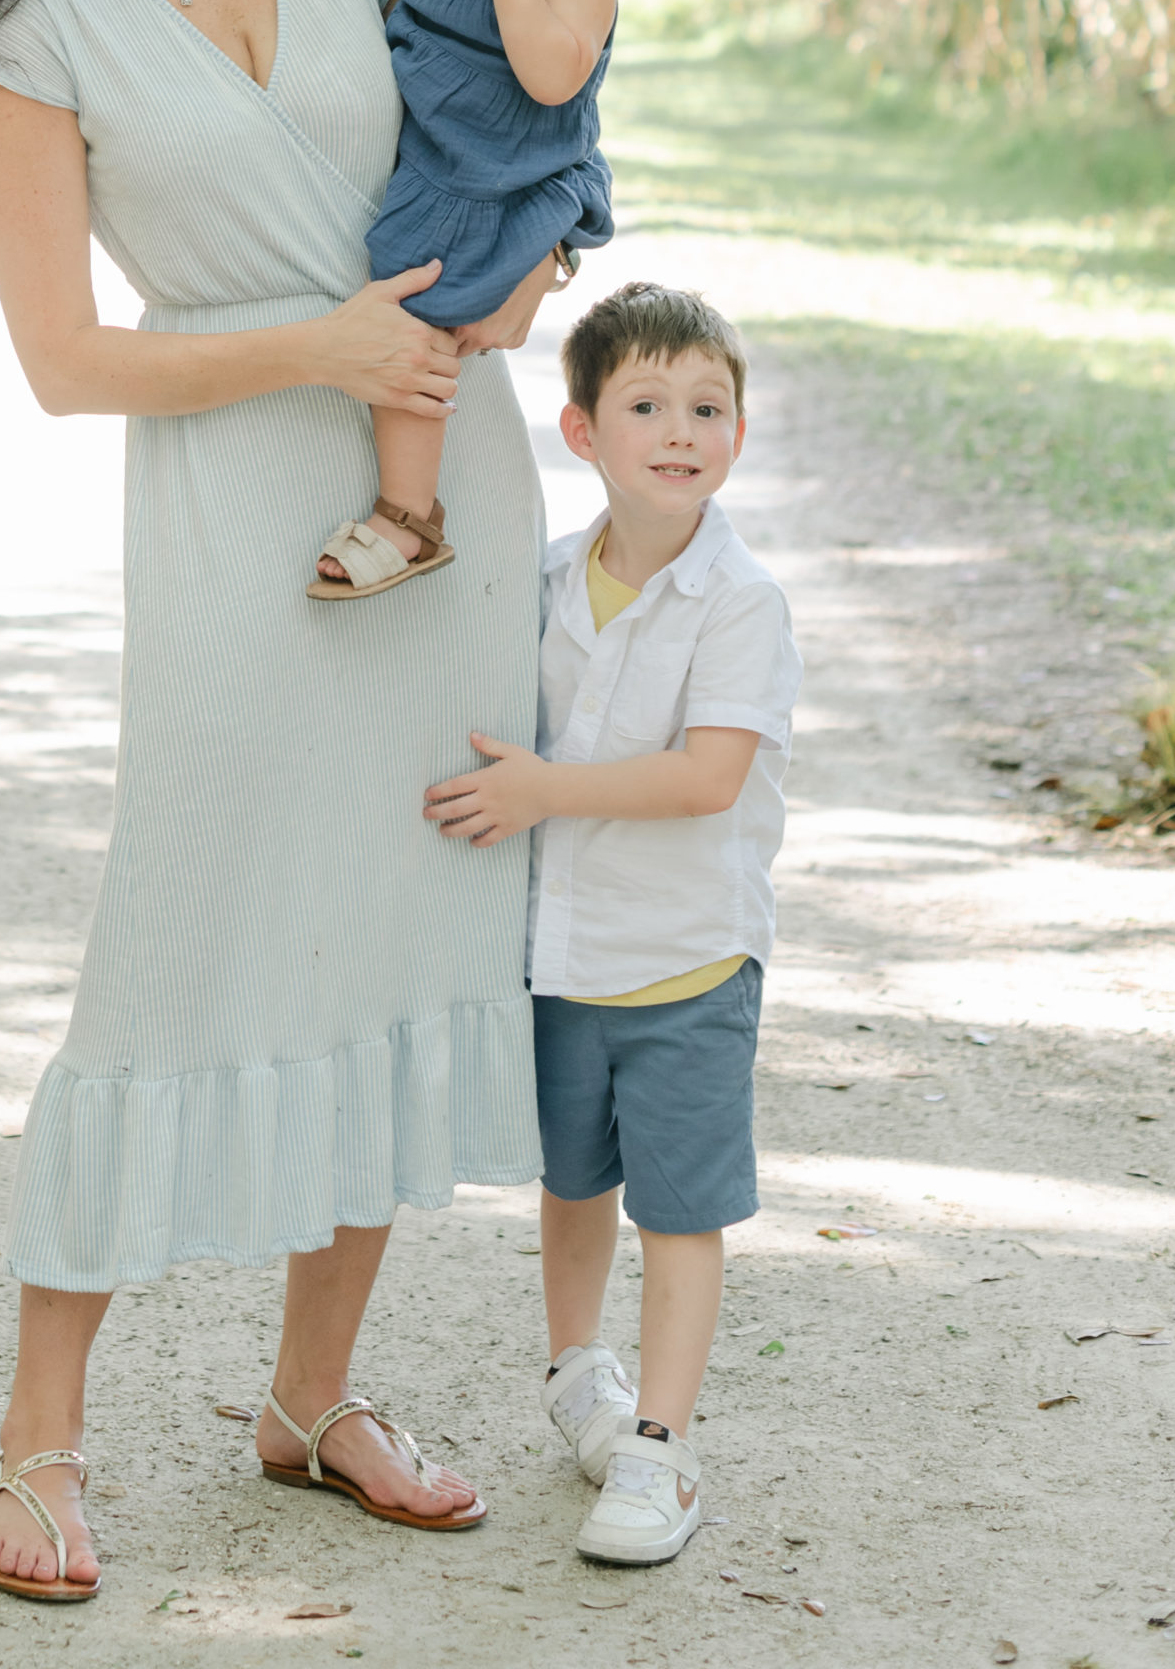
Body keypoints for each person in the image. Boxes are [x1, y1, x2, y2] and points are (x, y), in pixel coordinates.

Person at [0, 0, 567, 1601]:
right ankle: (38, 1437)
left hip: (443, 488)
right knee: (174, 935)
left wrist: (516, 278)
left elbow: (500, 122)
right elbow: (60, 358)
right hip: (234, 502)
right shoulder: (30, 2)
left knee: (398, 928)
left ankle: (311, 1397)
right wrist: (316, 345)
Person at [423, 282, 802, 1567]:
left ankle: (658, 1443)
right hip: (560, 958)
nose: (680, 429)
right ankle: (574, 1373)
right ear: (583, 431)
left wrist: (539, 792)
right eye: (646, 405)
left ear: (736, 434)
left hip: (685, 959)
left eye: (707, 407)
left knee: (678, 1209)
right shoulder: (542, 581)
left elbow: (706, 778)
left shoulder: (739, 601)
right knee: (570, 1178)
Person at [310, 0, 616, 600]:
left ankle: (406, 516)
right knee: (403, 318)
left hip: (495, 188)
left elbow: (555, 80)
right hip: (439, 172)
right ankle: (407, 510)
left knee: (413, 324)